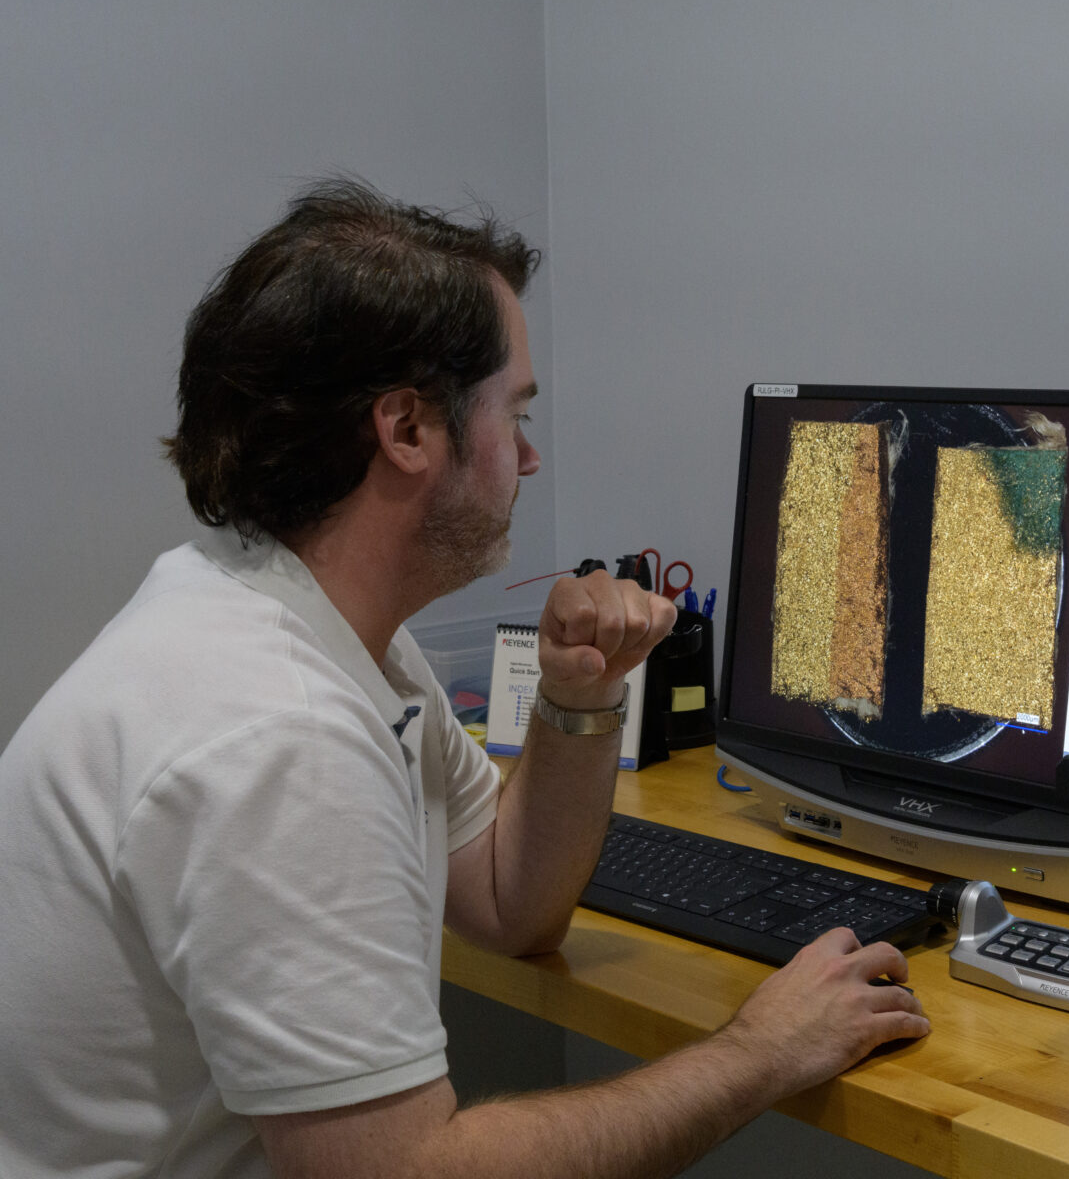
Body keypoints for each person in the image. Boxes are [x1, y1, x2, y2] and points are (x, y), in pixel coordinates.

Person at [0, 180, 929, 1178]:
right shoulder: (279, 735)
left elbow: (509, 906)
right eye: (513, 413)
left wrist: (579, 699)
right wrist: (759, 1054)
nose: (529, 457)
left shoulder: (307, 626)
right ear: (406, 431)